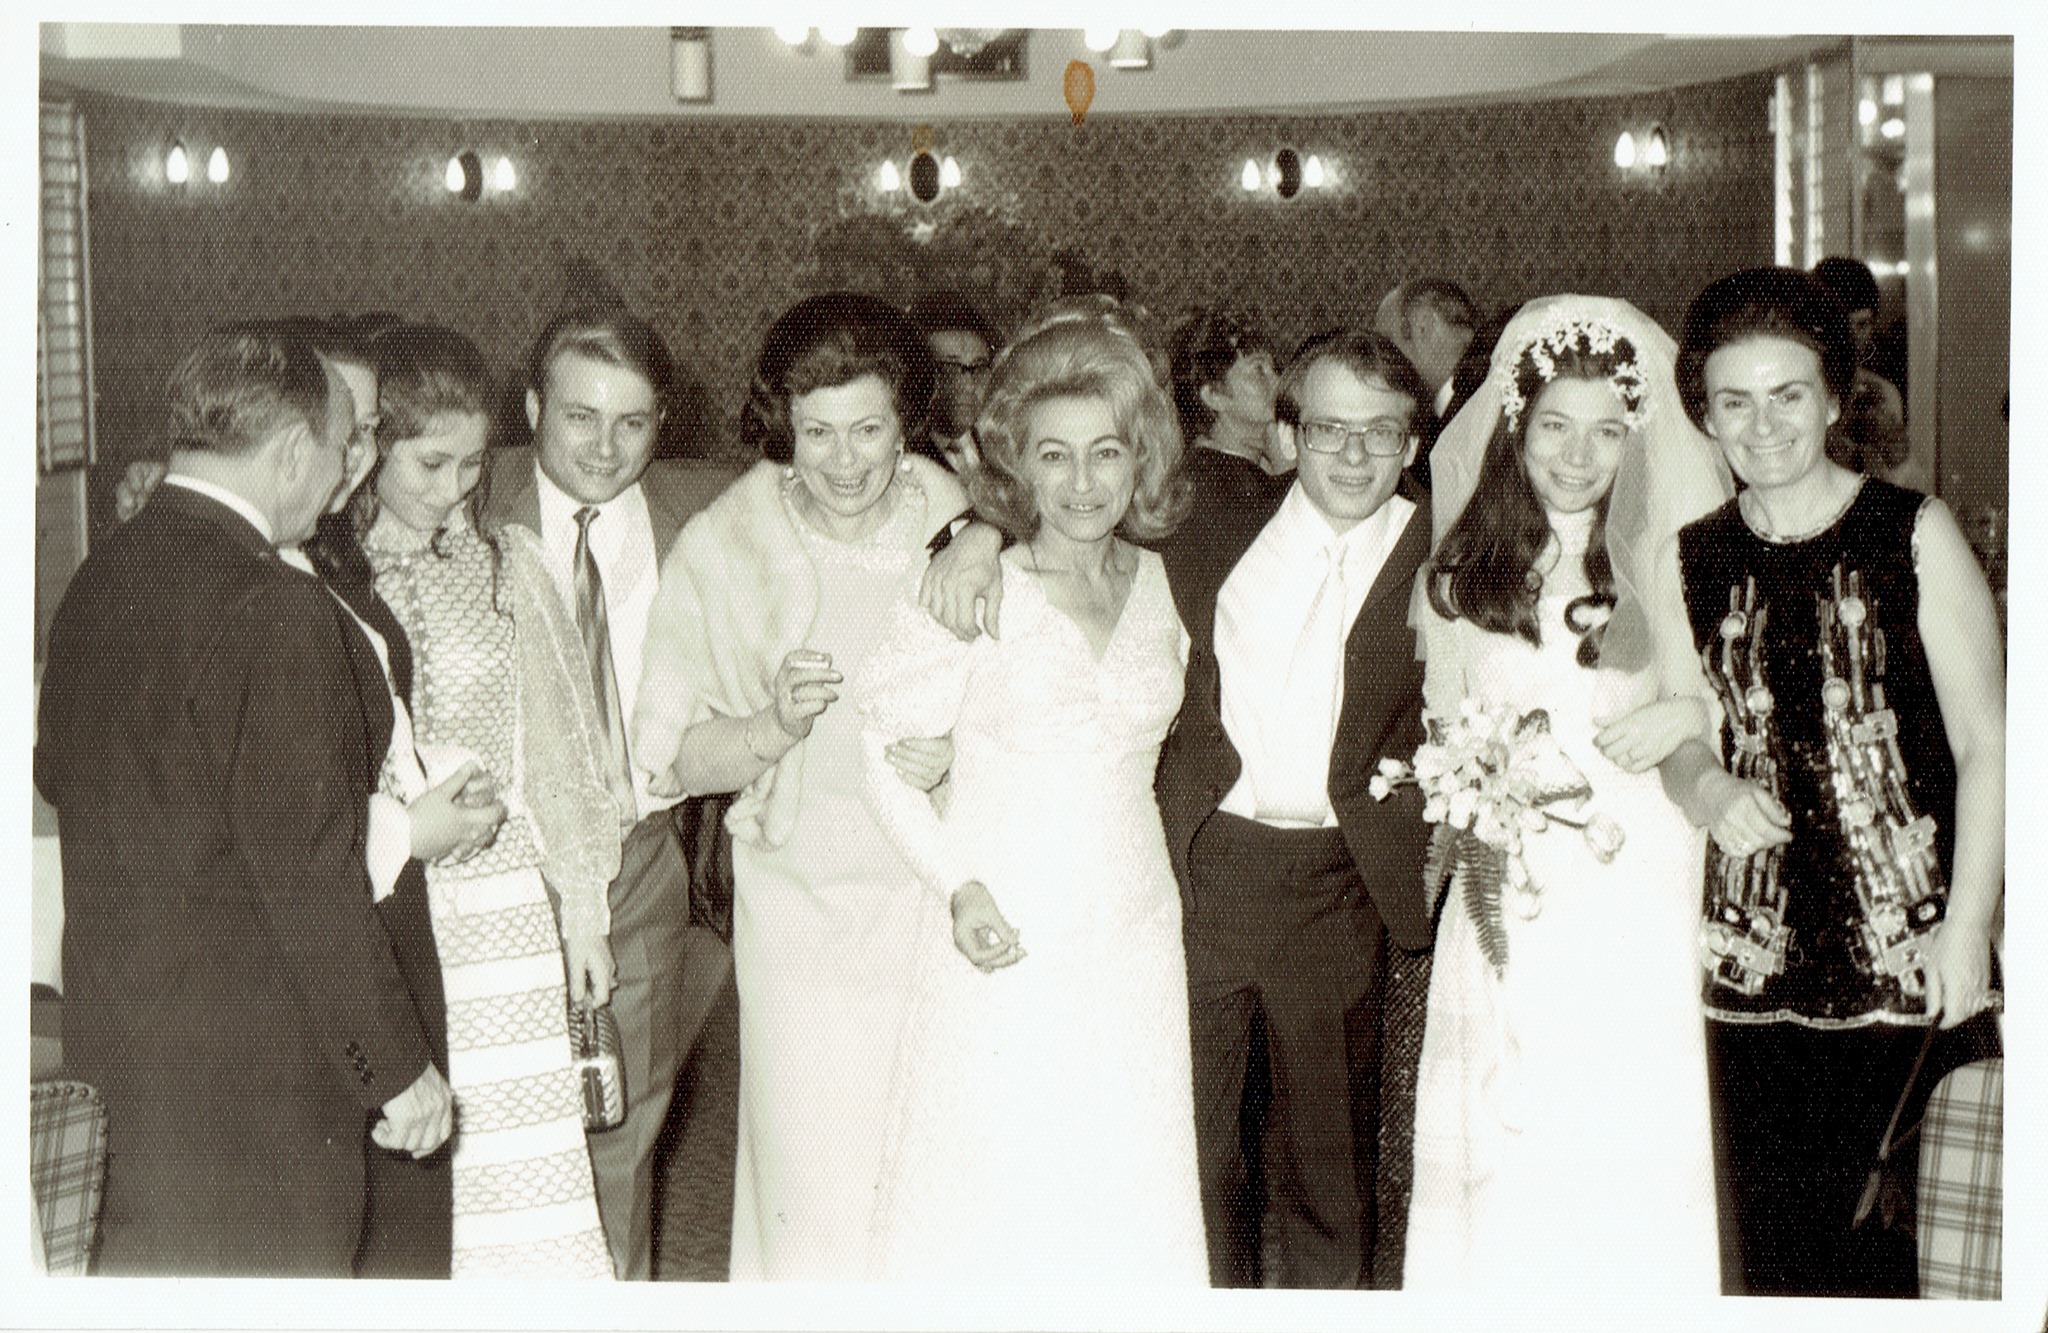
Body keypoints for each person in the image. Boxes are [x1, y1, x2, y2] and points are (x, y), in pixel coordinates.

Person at [36, 325, 459, 1273]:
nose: (345, 473)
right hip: (257, 1088)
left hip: (122, 1059)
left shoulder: (97, 578)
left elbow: (55, 773)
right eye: (344, 447)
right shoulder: (277, 605)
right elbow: (311, 875)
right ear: (296, 450)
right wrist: (398, 1068)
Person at [1662, 267, 2004, 1297]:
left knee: (1902, 1254)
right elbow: (1678, 733)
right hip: (1748, 957)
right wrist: (1707, 790)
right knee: (1771, 1256)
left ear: (1830, 399)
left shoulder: (1912, 530)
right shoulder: (1688, 556)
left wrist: (1967, 924)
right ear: (1703, 413)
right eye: (1734, 401)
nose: (1761, 424)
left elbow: (1987, 742)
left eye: (1786, 394)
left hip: (1905, 949)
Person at [857, 313, 1207, 1283]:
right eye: (1054, 455)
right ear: (1019, 463)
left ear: (1140, 458)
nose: (1083, 482)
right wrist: (956, 886)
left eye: (1106, 452)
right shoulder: (973, 584)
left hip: (1134, 926)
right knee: (999, 1180)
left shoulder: (1169, 581)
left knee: (1120, 1173)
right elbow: (881, 753)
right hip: (1001, 917)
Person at [631, 292, 971, 1279]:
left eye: (868, 429)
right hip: (798, 900)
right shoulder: (724, 545)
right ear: (782, 422)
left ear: (906, 420)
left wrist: (959, 751)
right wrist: (770, 726)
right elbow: (674, 756)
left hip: (931, 888)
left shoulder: (961, 525)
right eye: (817, 431)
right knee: (810, 1169)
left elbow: (1027, 706)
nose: (844, 459)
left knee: (926, 1155)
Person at [1402, 296, 1732, 1293]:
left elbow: (1722, 710)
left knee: (1623, 1118)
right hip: (1513, 884)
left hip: (1640, 875)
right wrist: (1464, 788)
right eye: (1555, 426)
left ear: (1638, 437)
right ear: (1516, 426)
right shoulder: (1459, 575)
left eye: (1606, 431)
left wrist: (1687, 716)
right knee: (1520, 1120)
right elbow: (1443, 726)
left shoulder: (1675, 558)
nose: (1578, 456)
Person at [1153, 329, 1438, 1288]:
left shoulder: (1443, 552)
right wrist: (968, 536)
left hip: (1337, 887)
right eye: (1328, 429)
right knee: (1198, 1157)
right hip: (1205, 871)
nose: (1353, 455)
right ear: (1288, 434)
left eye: (1380, 431)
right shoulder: (1211, 523)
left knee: (1331, 1168)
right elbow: (1062, 516)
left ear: (1412, 441)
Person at [484, 306, 742, 1280]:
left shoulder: (704, 509)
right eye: (579, 416)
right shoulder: (465, 490)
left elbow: (876, 481)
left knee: (618, 1130)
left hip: (634, 867)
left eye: (631, 422)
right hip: (487, 866)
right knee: (486, 1134)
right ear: (531, 407)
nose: (604, 446)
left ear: (663, 420)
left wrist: (968, 534)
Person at [354, 323, 617, 1277]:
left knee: (520, 1167)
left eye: (471, 464)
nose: (453, 488)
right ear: (370, 445)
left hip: (505, 913)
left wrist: (582, 916)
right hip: (389, 905)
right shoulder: (326, 574)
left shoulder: (512, 565)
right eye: (429, 463)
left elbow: (560, 755)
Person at [1164, 308, 1291, 556]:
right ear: (1214, 395)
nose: (1278, 381)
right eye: (1258, 370)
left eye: (1273, 368)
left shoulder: (1246, 466)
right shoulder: (1210, 483)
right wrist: (1286, 471)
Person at [1811, 256, 1915, 488]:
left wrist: (1897, 458)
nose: (1853, 338)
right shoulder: (1798, 390)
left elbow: (1898, 486)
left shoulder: (1883, 394)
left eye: (1862, 325)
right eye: (1843, 326)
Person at [1375, 278, 1486, 486]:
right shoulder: (1445, 411)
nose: (1382, 362)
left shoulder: (1479, 408)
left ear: (1423, 325)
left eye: (1387, 342)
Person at [908, 290, 1000, 474]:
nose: (968, 385)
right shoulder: (905, 455)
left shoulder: (999, 449)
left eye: (979, 368)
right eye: (949, 369)